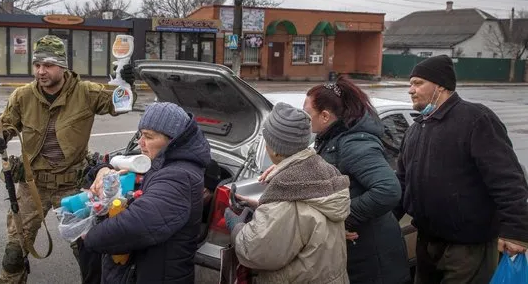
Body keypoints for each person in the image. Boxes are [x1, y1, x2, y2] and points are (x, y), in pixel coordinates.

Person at [0, 35, 136, 284]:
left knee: (88, 251)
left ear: (62, 66)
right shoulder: (23, 96)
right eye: (37, 65)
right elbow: (6, 125)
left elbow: (120, 104)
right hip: (32, 186)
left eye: (47, 65)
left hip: (72, 186)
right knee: (14, 253)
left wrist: (125, 83)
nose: (41, 71)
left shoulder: (85, 92)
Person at [396, 55, 528, 283]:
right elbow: (401, 182)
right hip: (427, 242)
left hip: (468, 246)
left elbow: (507, 180)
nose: (410, 90)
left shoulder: (476, 119)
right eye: (410, 84)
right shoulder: (416, 129)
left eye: (418, 83)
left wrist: (515, 231)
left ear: (440, 85)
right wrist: (383, 220)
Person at [82, 101, 211, 283]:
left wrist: (89, 237)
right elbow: (111, 166)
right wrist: (103, 170)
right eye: (140, 135)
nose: (140, 143)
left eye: (149, 137)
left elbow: (136, 225)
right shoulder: (159, 161)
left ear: (172, 140)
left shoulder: (180, 176)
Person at [225, 102, 352, 283]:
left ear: (276, 149)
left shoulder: (286, 194)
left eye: (266, 140)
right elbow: (300, 219)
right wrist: (262, 205)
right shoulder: (321, 173)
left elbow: (255, 252)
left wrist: (237, 227)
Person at [303, 76, 410, 284]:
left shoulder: (354, 143)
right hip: (360, 253)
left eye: (307, 113)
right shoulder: (330, 138)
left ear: (325, 116)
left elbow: (388, 190)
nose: (304, 118)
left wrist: (342, 218)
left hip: (373, 260)